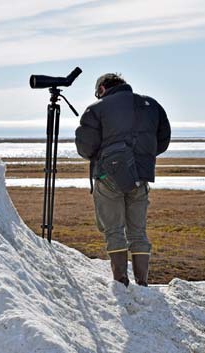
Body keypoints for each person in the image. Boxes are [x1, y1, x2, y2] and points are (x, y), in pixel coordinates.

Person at [75, 73, 171, 287]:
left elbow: (85, 147)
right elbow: (162, 141)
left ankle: (120, 280)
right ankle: (142, 282)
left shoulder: (97, 109)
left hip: (108, 175)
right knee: (138, 230)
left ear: (102, 89)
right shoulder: (152, 105)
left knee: (114, 229)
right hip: (141, 175)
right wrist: (143, 155)